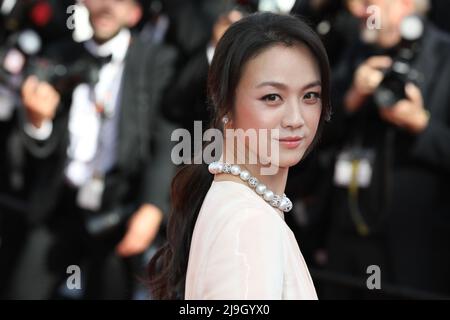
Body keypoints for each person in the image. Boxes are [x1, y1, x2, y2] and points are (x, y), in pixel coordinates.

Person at [148, 12, 332, 300]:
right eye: (272, 97)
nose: (296, 118)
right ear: (223, 102)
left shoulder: (240, 206)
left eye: (310, 95)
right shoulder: (249, 223)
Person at [12, 0, 176, 299]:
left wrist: (152, 206)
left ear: (135, 12)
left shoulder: (156, 61)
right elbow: (38, 149)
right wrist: (38, 122)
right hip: (59, 205)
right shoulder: (58, 55)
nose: (107, 6)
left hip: (118, 209)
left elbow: (166, 138)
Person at [323, 0, 450, 298]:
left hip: (414, 247)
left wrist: (421, 125)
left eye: (371, 2)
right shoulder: (355, 53)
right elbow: (315, 138)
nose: (361, 11)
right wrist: (351, 100)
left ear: (406, 4)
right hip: (347, 234)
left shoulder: (444, 57)